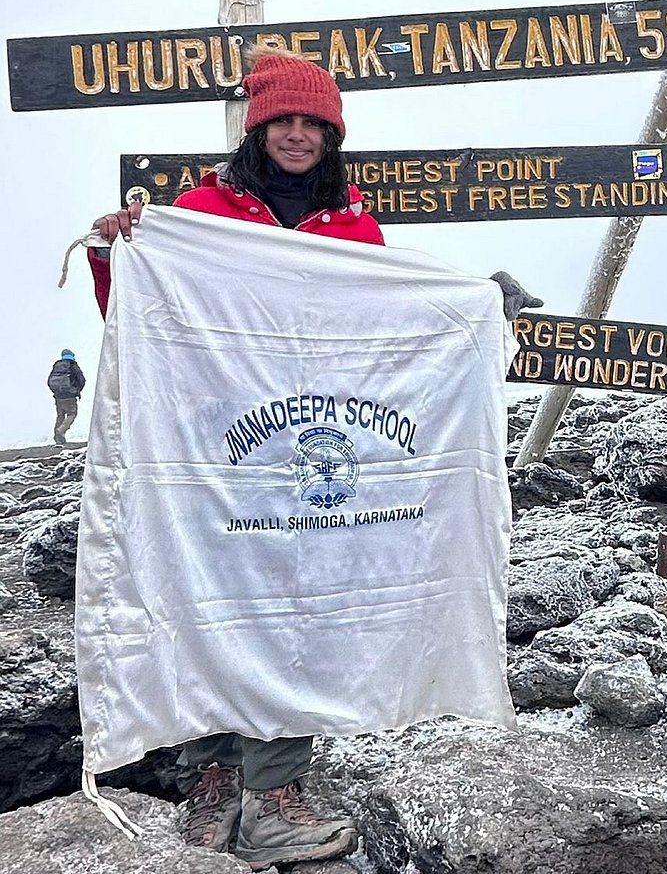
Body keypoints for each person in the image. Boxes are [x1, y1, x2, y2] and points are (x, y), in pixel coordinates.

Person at [87, 49, 539, 867]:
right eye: (282, 121)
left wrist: (475, 311)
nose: (297, 135)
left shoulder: (354, 230)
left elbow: (386, 331)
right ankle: (212, 775)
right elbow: (142, 323)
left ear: (332, 135)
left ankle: (276, 790)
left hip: (318, 443)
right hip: (217, 452)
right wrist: (115, 253)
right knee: (211, 595)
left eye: (313, 124)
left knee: (308, 613)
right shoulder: (197, 211)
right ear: (257, 130)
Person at [47, 349, 85, 445]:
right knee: (72, 414)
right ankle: (61, 430)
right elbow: (82, 380)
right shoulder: (73, 366)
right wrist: (76, 390)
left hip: (58, 396)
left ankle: (58, 435)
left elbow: (49, 380)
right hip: (70, 396)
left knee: (60, 415)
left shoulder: (57, 366)